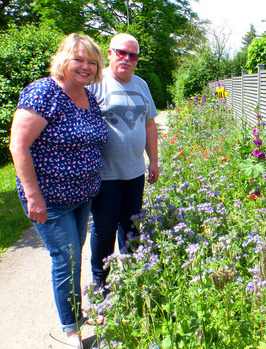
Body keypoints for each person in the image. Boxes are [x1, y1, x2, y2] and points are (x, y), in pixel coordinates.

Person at [9, 33, 108, 347]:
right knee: (65, 260)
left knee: (74, 257)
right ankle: (69, 330)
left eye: (92, 62)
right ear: (64, 60)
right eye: (79, 59)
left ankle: (76, 314)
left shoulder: (89, 98)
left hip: (81, 196)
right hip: (50, 199)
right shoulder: (43, 92)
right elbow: (18, 146)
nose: (86, 67)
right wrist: (33, 195)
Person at [88, 33, 159, 293]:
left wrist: (153, 161)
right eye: (121, 52)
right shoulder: (96, 84)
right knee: (104, 228)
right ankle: (100, 281)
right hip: (105, 174)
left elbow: (150, 124)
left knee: (131, 226)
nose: (126, 58)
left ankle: (132, 273)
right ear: (109, 53)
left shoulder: (141, 85)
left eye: (132, 55)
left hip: (134, 171)